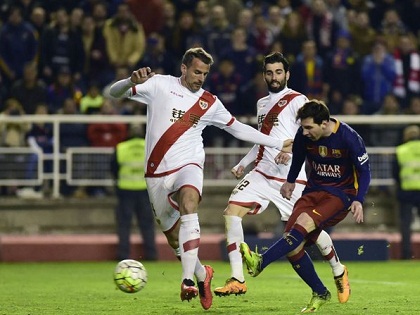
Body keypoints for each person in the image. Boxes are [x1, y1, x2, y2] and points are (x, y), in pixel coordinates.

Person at [109, 47, 292, 310]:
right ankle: (201, 274)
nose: (200, 78)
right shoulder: (159, 85)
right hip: (156, 172)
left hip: (189, 164)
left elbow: (238, 129)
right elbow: (114, 94)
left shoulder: (210, 102)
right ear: (183, 69)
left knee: (189, 201)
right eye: (196, 72)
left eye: (205, 73)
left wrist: (277, 143)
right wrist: (130, 81)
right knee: (174, 240)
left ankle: (186, 281)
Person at [214, 53, 349, 303]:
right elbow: (262, 139)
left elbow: (312, 133)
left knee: (310, 233)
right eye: (269, 72)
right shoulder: (262, 103)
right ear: (263, 75)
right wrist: (243, 163)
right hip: (262, 174)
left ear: (287, 74)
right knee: (231, 213)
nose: (273, 77)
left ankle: (338, 269)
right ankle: (237, 279)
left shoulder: (298, 100)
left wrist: (292, 151)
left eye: (278, 72)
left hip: (290, 178)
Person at [240, 99, 371, 313]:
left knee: (302, 225)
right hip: (312, 191)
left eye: (309, 127)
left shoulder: (349, 137)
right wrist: (290, 181)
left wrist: (359, 199)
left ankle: (260, 262)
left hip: (340, 195)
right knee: (292, 244)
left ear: (324, 123)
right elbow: (299, 156)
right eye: (303, 127)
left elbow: (365, 172)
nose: (305, 132)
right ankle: (321, 291)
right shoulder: (304, 135)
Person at [110, 123, 157, 261]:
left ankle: (123, 255)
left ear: (129, 132)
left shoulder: (121, 148)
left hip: (125, 191)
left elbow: (113, 168)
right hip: (145, 191)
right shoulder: (150, 147)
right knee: (147, 224)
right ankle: (151, 254)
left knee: (124, 224)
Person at [393, 125, 420, 259]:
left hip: (406, 191)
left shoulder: (401, 150)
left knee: (405, 225)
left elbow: (395, 173)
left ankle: (407, 254)